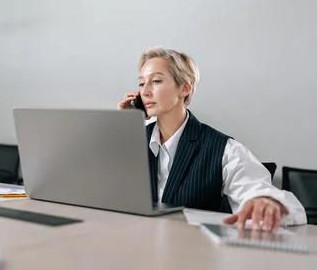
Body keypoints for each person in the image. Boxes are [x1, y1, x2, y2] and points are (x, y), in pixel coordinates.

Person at [117, 46, 306, 231]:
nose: (145, 91)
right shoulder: (133, 140)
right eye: (141, 83)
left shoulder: (224, 149)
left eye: (156, 81)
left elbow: (277, 200)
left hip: (194, 255)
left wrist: (269, 202)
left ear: (184, 89)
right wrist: (122, 127)